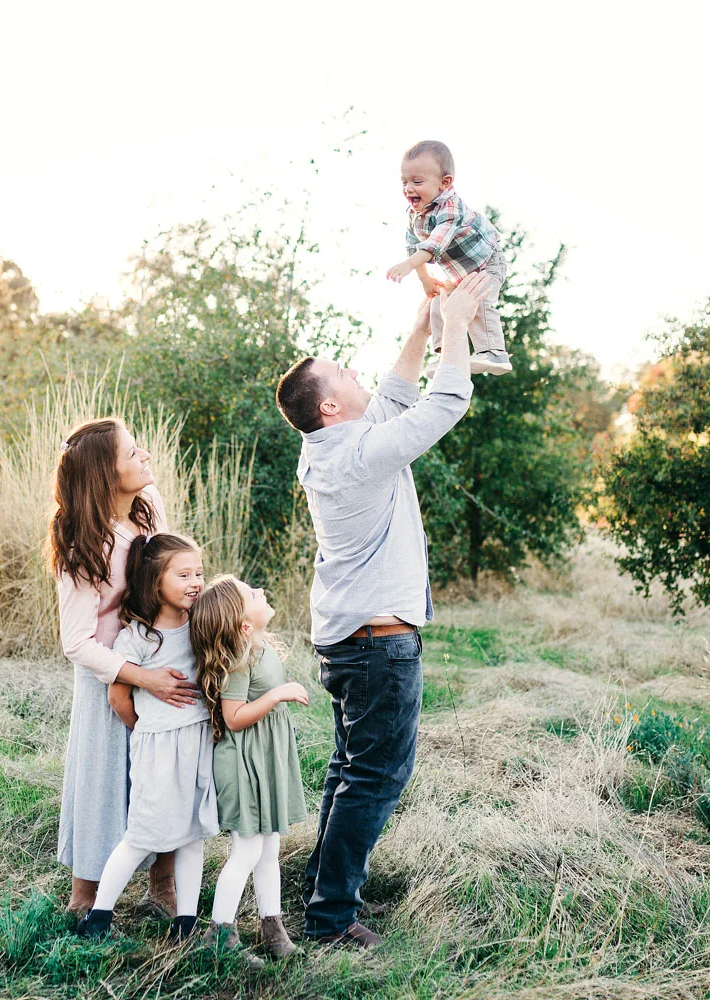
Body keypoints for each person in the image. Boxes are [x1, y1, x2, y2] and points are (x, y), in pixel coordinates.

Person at [273, 273, 488, 948]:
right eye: (343, 373)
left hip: (354, 640)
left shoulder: (333, 445)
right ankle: (332, 919)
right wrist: (457, 324)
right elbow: (445, 401)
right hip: (376, 646)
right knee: (374, 777)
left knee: (350, 771)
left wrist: (423, 326)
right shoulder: (359, 454)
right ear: (330, 406)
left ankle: (323, 897)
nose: (355, 372)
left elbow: (396, 394)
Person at [50, 418, 200, 917]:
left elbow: (165, 570)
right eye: (133, 453)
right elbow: (76, 642)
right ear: (105, 474)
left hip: (158, 655)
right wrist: (137, 679)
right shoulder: (83, 547)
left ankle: (163, 885)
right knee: (104, 779)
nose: (146, 457)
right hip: (109, 675)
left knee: (163, 770)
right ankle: (86, 895)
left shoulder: (147, 506)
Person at [76, 532, 218, 942]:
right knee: (142, 834)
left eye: (199, 573)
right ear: (156, 582)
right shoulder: (137, 637)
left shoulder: (200, 626)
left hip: (197, 745)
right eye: (183, 575)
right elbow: (118, 696)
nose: (195, 582)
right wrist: (147, 728)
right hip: (157, 748)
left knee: (193, 834)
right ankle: (98, 918)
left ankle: (185, 923)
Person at [191, 575, 309, 961]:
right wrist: (277, 695)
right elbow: (234, 717)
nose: (262, 592)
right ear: (243, 625)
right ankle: (219, 936)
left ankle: (273, 929)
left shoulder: (261, 647)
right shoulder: (240, 660)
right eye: (254, 595)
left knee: (269, 848)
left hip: (264, 759)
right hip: (244, 765)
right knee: (247, 851)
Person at [384, 139, 513, 376]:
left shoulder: (450, 208)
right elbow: (413, 246)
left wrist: (408, 265)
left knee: (480, 299)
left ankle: (494, 352)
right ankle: (446, 355)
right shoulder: (415, 215)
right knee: (439, 302)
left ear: (445, 183)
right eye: (404, 182)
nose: (408, 188)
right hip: (461, 273)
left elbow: (433, 245)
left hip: (487, 264)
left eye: (417, 182)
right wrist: (424, 279)